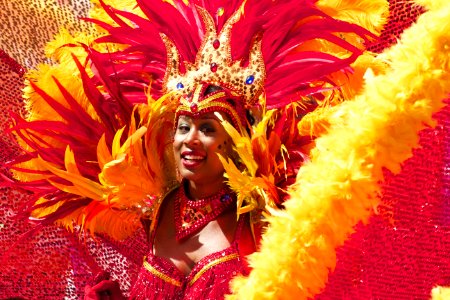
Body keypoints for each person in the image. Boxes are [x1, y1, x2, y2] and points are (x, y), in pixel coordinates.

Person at [7, 0, 450, 299]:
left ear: (236, 139)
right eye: (183, 126)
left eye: (207, 127)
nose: (189, 140)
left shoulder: (266, 222)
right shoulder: (161, 205)